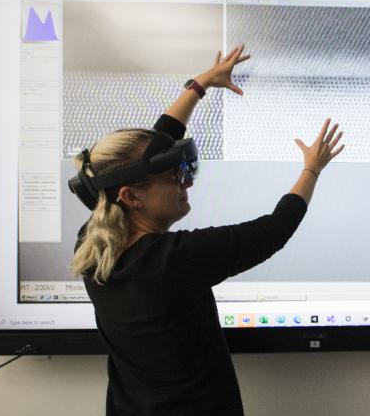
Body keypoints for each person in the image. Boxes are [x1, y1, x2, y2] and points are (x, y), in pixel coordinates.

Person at [69, 45, 344, 416]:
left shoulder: (93, 243)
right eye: (176, 176)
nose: (187, 183)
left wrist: (201, 84)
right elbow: (274, 230)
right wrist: (312, 168)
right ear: (131, 196)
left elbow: (158, 138)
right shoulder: (174, 262)